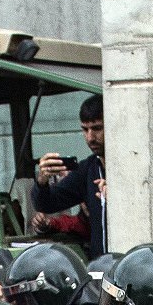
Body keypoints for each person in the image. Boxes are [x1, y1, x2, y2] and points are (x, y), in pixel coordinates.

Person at [33, 96, 108, 252]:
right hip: (101, 266)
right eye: (85, 129)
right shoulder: (88, 169)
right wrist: (42, 180)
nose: (90, 138)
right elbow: (47, 203)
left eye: (97, 128)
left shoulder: (135, 165)